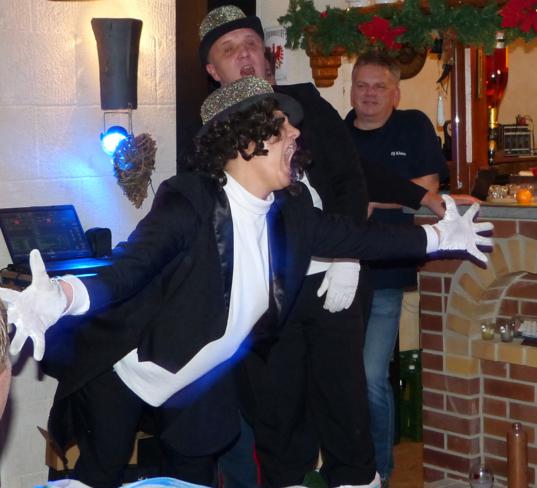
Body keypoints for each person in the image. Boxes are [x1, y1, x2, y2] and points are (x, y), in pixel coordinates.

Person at [0, 77, 491, 488]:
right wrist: (64, 295)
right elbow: (130, 266)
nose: (296, 132)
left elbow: (359, 237)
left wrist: (438, 237)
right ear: (245, 140)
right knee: (95, 476)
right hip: (126, 374)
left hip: (196, 384)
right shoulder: (190, 201)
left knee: (192, 476)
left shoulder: (290, 212)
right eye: (281, 125)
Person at [198, 7, 482, 488]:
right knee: (278, 416)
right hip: (267, 295)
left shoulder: (304, 103)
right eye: (229, 50)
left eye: (251, 44)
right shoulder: (213, 133)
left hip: (336, 278)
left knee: (346, 407)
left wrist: (415, 207)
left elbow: (354, 172)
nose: (244, 55)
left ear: (267, 55)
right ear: (213, 70)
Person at [344, 51, 448, 486]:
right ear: (351, 89)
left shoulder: (413, 125)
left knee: (370, 376)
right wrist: (389, 197)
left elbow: (427, 189)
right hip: (339, 270)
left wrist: (371, 199)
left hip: (387, 271)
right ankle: (351, 467)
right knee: (343, 378)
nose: (369, 94)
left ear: (395, 94)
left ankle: (381, 472)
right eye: (362, 85)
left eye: (379, 86)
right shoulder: (338, 134)